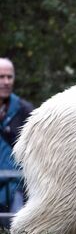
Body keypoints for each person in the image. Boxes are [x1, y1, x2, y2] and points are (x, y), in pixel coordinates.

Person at [0, 58, 34, 213]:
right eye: (1, 77)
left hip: (16, 189)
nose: (6, 82)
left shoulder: (24, 110)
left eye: (9, 77)